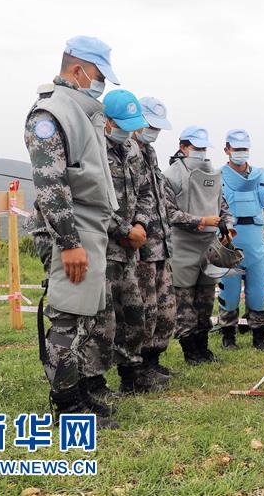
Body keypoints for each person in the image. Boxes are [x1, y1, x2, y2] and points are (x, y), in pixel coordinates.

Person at [24, 36, 120, 427]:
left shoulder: (80, 112)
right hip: (71, 229)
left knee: (87, 317)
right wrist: (68, 242)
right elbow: (51, 185)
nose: (100, 85)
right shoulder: (50, 114)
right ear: (78, 69)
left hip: (89, 227)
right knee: (67, 321)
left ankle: (79, 390)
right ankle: (67, 407)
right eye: (98, 76)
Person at [101, 90, 159, 394]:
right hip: (104, 247)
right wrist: (124, 230)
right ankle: (92, 381)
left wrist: (140, 224)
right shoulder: (93, 150)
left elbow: (146, 193)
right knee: (102, 319)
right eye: (122, 123)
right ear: (106, 120)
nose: (127, 130)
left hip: (131, 249)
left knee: (134, 313)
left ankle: (131, 374)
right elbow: (91, 203)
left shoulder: (132, 151)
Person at [164, 126, 235, 365]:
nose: (201, 152)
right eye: (197, 147)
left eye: (204, 148)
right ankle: (190, 350)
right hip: (183, 245)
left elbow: (223, 207)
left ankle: (203, 347)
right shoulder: (171, 175)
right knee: (184, 300)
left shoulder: (213, 174)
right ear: (183, 147)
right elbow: (169, 213)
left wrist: (227, 226)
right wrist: (200, 221)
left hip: (209, 245)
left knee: (205, 299)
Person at [218, 129, 264, 351]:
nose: (240, 153)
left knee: (258, 291)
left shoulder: (262, 177)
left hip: (255, 243)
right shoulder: (217, 177)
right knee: (229, 291)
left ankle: (259, 337)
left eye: (244, 149)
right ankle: (228, 336)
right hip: (229, 242)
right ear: (227, 150)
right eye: (236, 148)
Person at [133, 97, 176, 381]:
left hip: (162, 244)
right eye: (150, 126)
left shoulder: (149, 152)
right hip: (141, 247)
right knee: (144, 310)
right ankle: (137, 367)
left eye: (158, 128)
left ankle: (153, 359)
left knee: (164, 308)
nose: (154, 132)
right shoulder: (127, 150)